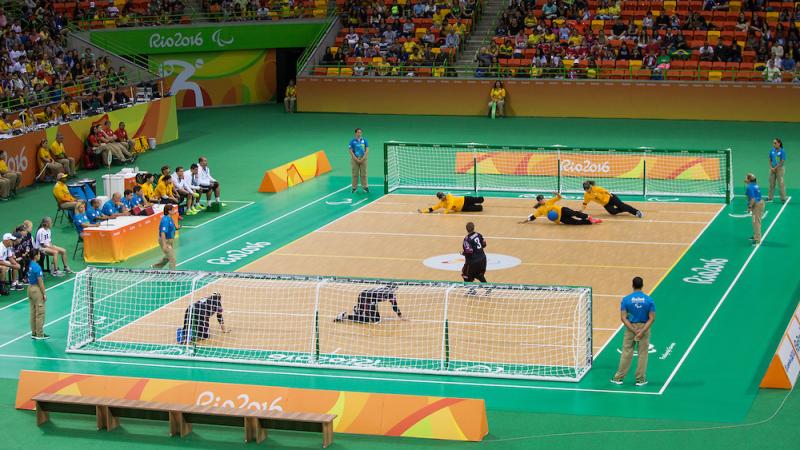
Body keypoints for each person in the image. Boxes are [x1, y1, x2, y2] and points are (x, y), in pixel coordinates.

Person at [610, 277, 655, 387]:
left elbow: (623, 318)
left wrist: (634, 330)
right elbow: (652, 318)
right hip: (644, 327)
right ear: (642, 285)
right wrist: (642, 331)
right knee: (643, 354)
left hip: (630, 328)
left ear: (632, 285)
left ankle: (618, 378)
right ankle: (640, 379)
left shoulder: (626, 299)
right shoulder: (649, 300)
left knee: (626, 352)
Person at [334, 285, 404, 323]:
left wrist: (400, 316)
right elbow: (394, 306)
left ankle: (357, 310)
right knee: (367, 320)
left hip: (371, 300)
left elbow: (394, 306)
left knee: (377, 320)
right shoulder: (390, 294)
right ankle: (344, 316)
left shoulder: (389, 293)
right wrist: (400, 316)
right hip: (364, 298)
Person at [518, 194, 601, 225]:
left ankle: (589, 217)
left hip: (562, 210)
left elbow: (559, 198)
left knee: (574, 213)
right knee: (575, 222)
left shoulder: (549, 201)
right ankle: (590, 222)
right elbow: (533, 217)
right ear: (539, 201)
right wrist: (524, 221)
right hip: (559, 219)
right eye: (542, 199)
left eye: (543, 198)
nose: (543, 200)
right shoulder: (540, 210)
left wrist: (557, 194)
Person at [26, 251, 48, 339]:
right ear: (35, 256)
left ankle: (34, 332)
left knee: (33, 312)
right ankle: (40, 334)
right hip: (36, 290)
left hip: (29, 289)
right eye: (39, 254)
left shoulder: (29, 264)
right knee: (40, 312)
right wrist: (44, 293)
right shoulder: (37, 267)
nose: (40, 256)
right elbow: (40, 282)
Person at [152, 204, 178, 269]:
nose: (174, 211)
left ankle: (155, 267)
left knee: (167, 256)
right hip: (165, 240)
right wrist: (164, 245)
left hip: (170, 241)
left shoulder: (170, 218)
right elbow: (163, 232)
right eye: (173, 210)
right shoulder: (165, 220)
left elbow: (171, 227)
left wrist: (177, 228)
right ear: (169, 211)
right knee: (172, 259)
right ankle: (172, 275)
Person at [418, 192, 485, 214]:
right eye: (442, 197)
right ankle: (479, 207)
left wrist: (445, 212)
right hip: (462, 208)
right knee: (479, 208)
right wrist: (423, 211)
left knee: (480, 199)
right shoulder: (441, 204)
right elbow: (432, 208)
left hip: (464, 199)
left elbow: (450, 204)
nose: (443, 197)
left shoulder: (449, 196)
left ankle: (481, 198)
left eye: (443, 195)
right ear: (440, 198)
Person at [745, 173, 765, 245]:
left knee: (756, 222)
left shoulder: (749, 187)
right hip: (758, 203)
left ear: (749, 180)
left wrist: (749, 207)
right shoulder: (755, 184)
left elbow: (752, 199)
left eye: (746, 178)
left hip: (757, 205)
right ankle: (755, 235)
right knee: (754, 221)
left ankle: (757, 239)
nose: (745, 179)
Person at [349, 128, 369, 193]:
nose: (359, 134)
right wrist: (356, 159)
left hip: (363, 159)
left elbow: (367, 150)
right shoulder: (352, 141)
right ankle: (354, 188)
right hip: (355, 159)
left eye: (360, 132)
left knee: (364, 174)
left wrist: (363, 158)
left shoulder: (364, 140)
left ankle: (365, 187)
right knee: (355, 174)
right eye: (358, 132)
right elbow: (351, 151)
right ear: (355, 133)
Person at [767, 138, 787, 203]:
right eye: (773, 143)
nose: (774, 144)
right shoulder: (772, 150)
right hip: (772, 169)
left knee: (781, 184)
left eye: (775, 143)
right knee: (771, 184)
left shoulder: (782, 151)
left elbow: (782, 161)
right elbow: (769, 159)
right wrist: (771, 167)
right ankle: (770, 198)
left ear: (779, 143)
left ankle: (783, 198)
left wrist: (775, 168)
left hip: (779, 169)